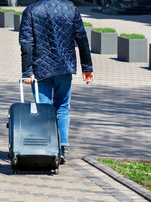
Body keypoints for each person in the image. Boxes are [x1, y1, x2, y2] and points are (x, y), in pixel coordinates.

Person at [19, 0, 94, 163]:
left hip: (40, 68)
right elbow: (81, 37)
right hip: (64, 66)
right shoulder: (70, 9)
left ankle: (47, 147)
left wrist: (27, 71)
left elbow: (26, 42)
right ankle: (61, 147)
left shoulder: (31, 10)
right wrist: (87, 67)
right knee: (62, 106)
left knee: (44, 109)